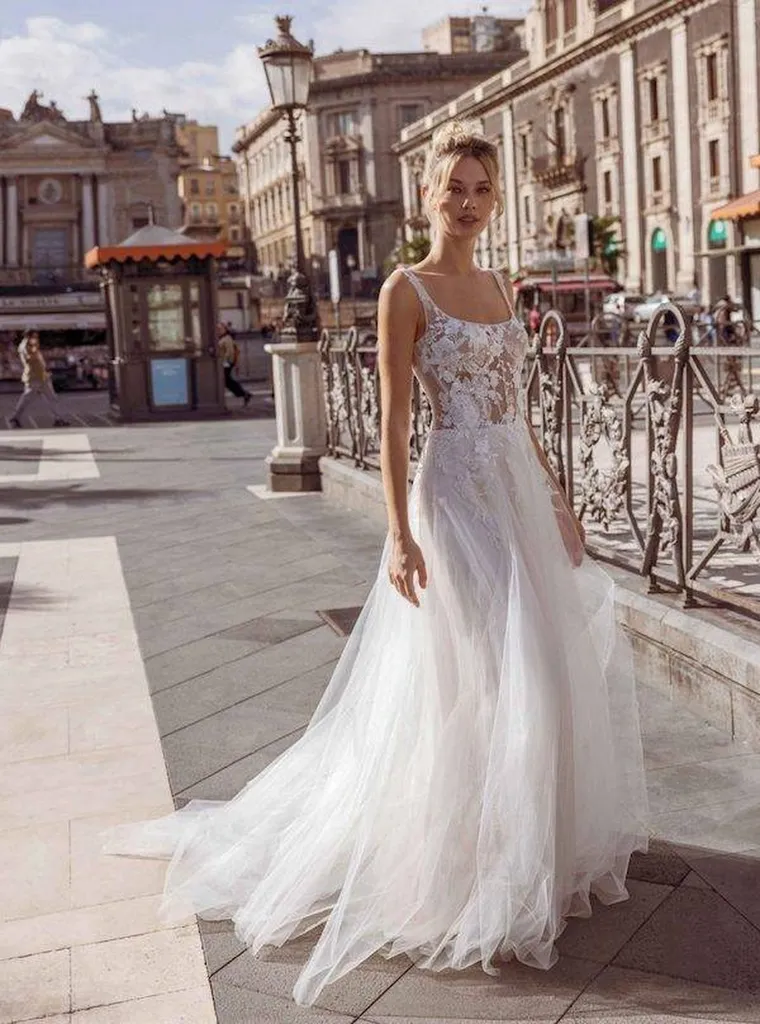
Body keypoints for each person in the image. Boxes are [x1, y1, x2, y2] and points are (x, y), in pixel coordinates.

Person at [107, 120, 648, 1006]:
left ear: (494, 199)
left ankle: (526, 849)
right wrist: (397, 532)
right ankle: (462, 861)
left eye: (481, 190)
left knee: (540, 668)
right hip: (453, 494)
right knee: (477, 666)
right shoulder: (407, 289)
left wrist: (557, 496)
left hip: (513, 481)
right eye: (454, 189)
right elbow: (397, 423)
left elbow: (520, 407)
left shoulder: (501, 284)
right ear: (426, 195)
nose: (467, 203)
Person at [9, 330, 69, 428]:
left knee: (52, 397)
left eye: (36, 337)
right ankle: (14, 418)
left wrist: (45, 371)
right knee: (26, 399)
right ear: (28, 337)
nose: (36, 338)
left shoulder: (33, 345)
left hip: (42, 376)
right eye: (34, 337)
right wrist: (33, 350)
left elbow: (39, 361)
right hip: (33, 378)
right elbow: (28, 360)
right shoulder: (24, 346)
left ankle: (58, 419)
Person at [216, 322, 251, 406]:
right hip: (225, 362)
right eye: (217, 329)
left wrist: (224, 362)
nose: (218, 330)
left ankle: (243, 393)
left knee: (225, 380)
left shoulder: (227, 339)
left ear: (225, 330)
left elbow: (230, 352)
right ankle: (243, 394)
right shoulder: (221, 338)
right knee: (226, 380)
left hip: (226, 363)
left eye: (220, 329)